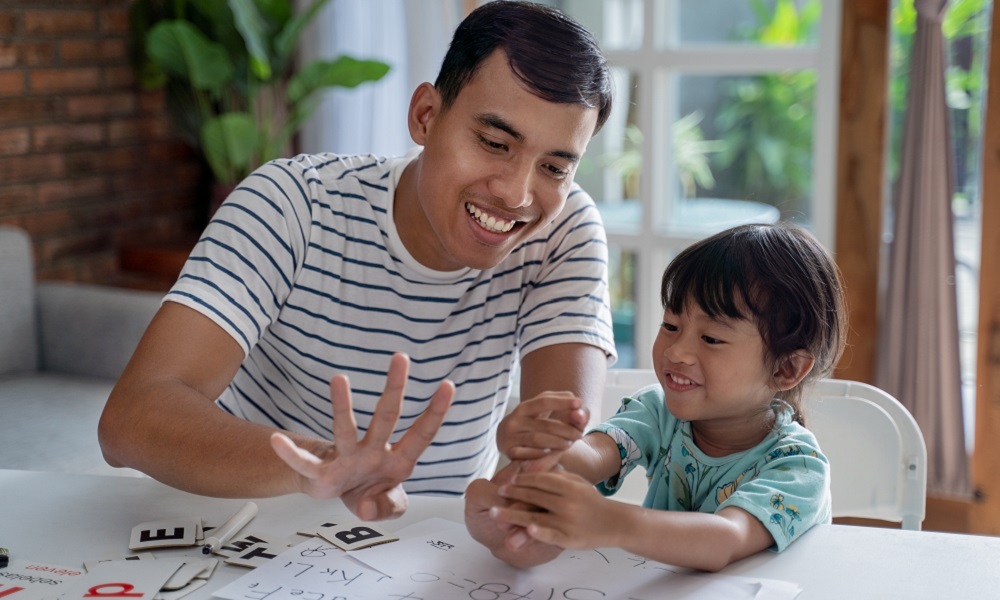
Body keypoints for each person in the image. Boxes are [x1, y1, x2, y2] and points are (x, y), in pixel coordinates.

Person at [98, 0, 616, 522]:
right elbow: (132, 418)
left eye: (553, 166)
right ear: (425, 116)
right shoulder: (292, 203)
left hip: (439, 552)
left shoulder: (563, 231)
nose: (516, 194)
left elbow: (555, 456)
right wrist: (320, 466)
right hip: (253, 531)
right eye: (494, 142)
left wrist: (529, 501)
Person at [466, 222, 848, 571]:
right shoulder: (659, 412)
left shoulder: (798, 467)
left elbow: (725, 539)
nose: (676, 352)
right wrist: (545, 442)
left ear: (786, 370)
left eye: (711, 338)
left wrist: (612, 522)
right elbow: (593, 456)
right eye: (671, 325)